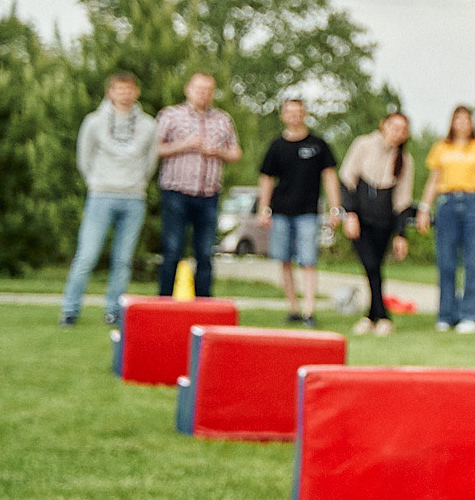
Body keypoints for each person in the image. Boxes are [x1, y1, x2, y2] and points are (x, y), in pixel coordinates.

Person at [59, 71, 161, 327]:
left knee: (123, 260)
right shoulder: (94, 122)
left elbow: (151, 161)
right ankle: (70, 309)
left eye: (129, 89)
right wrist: (97, 182)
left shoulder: (149, 125)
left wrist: (137, 183)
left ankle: (114, 311)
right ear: (110, 92)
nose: (124, 93)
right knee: (87, 256)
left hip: (134, 198)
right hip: (101, 195)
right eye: (119, 89)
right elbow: (84, 158)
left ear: (136, 92)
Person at [416, 105, 475, 334]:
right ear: (452, 123)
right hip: (447, 204)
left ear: (472, 123)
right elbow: (434, 180)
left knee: (474, 261)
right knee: (446, 261)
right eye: (458, 119)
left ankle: (471, 314)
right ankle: (446, 314)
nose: (462, 124)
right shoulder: (441, 147)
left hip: (474, 203)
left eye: (467, 120)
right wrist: (424, 208)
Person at [254, 97, 340, 327]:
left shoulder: (318, 145)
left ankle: (309, 311)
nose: (294, 116)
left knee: (309, 261)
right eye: (290, 112)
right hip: (281, 212)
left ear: (305, 114)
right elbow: (266, 178)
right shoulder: (276, 146)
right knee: (284, 260)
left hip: (308, 213)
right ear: (283, 116)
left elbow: (330, 176)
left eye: (298, 112)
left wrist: (335, 208)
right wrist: (264, 208)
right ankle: (293, 308)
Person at [154, 71, 240, 297]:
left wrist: (218, 152)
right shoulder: (171, 115)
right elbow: (154, 149)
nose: (204, 94)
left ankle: (204, 304)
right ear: (188, 90)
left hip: (209, 194)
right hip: (176, 192)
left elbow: (235, 153)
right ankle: (164, 301)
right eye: (199, 89)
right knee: (172, 249)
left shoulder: (223, 119)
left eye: (209, 90)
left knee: (205, 252)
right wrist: (185, 145)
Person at [340, 111, 414, 335]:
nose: (397, 133)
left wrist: (401, 234)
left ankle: (372, 317)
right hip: (361, 219)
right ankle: (382, 315)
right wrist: (349, 214)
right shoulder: (363, 145)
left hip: (385, 222)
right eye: (394, 126)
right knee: (370, 265)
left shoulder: (405, 160)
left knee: (376, 268)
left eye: (402, 129)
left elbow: (403, 200)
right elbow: (346, 180)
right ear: (384, 125)